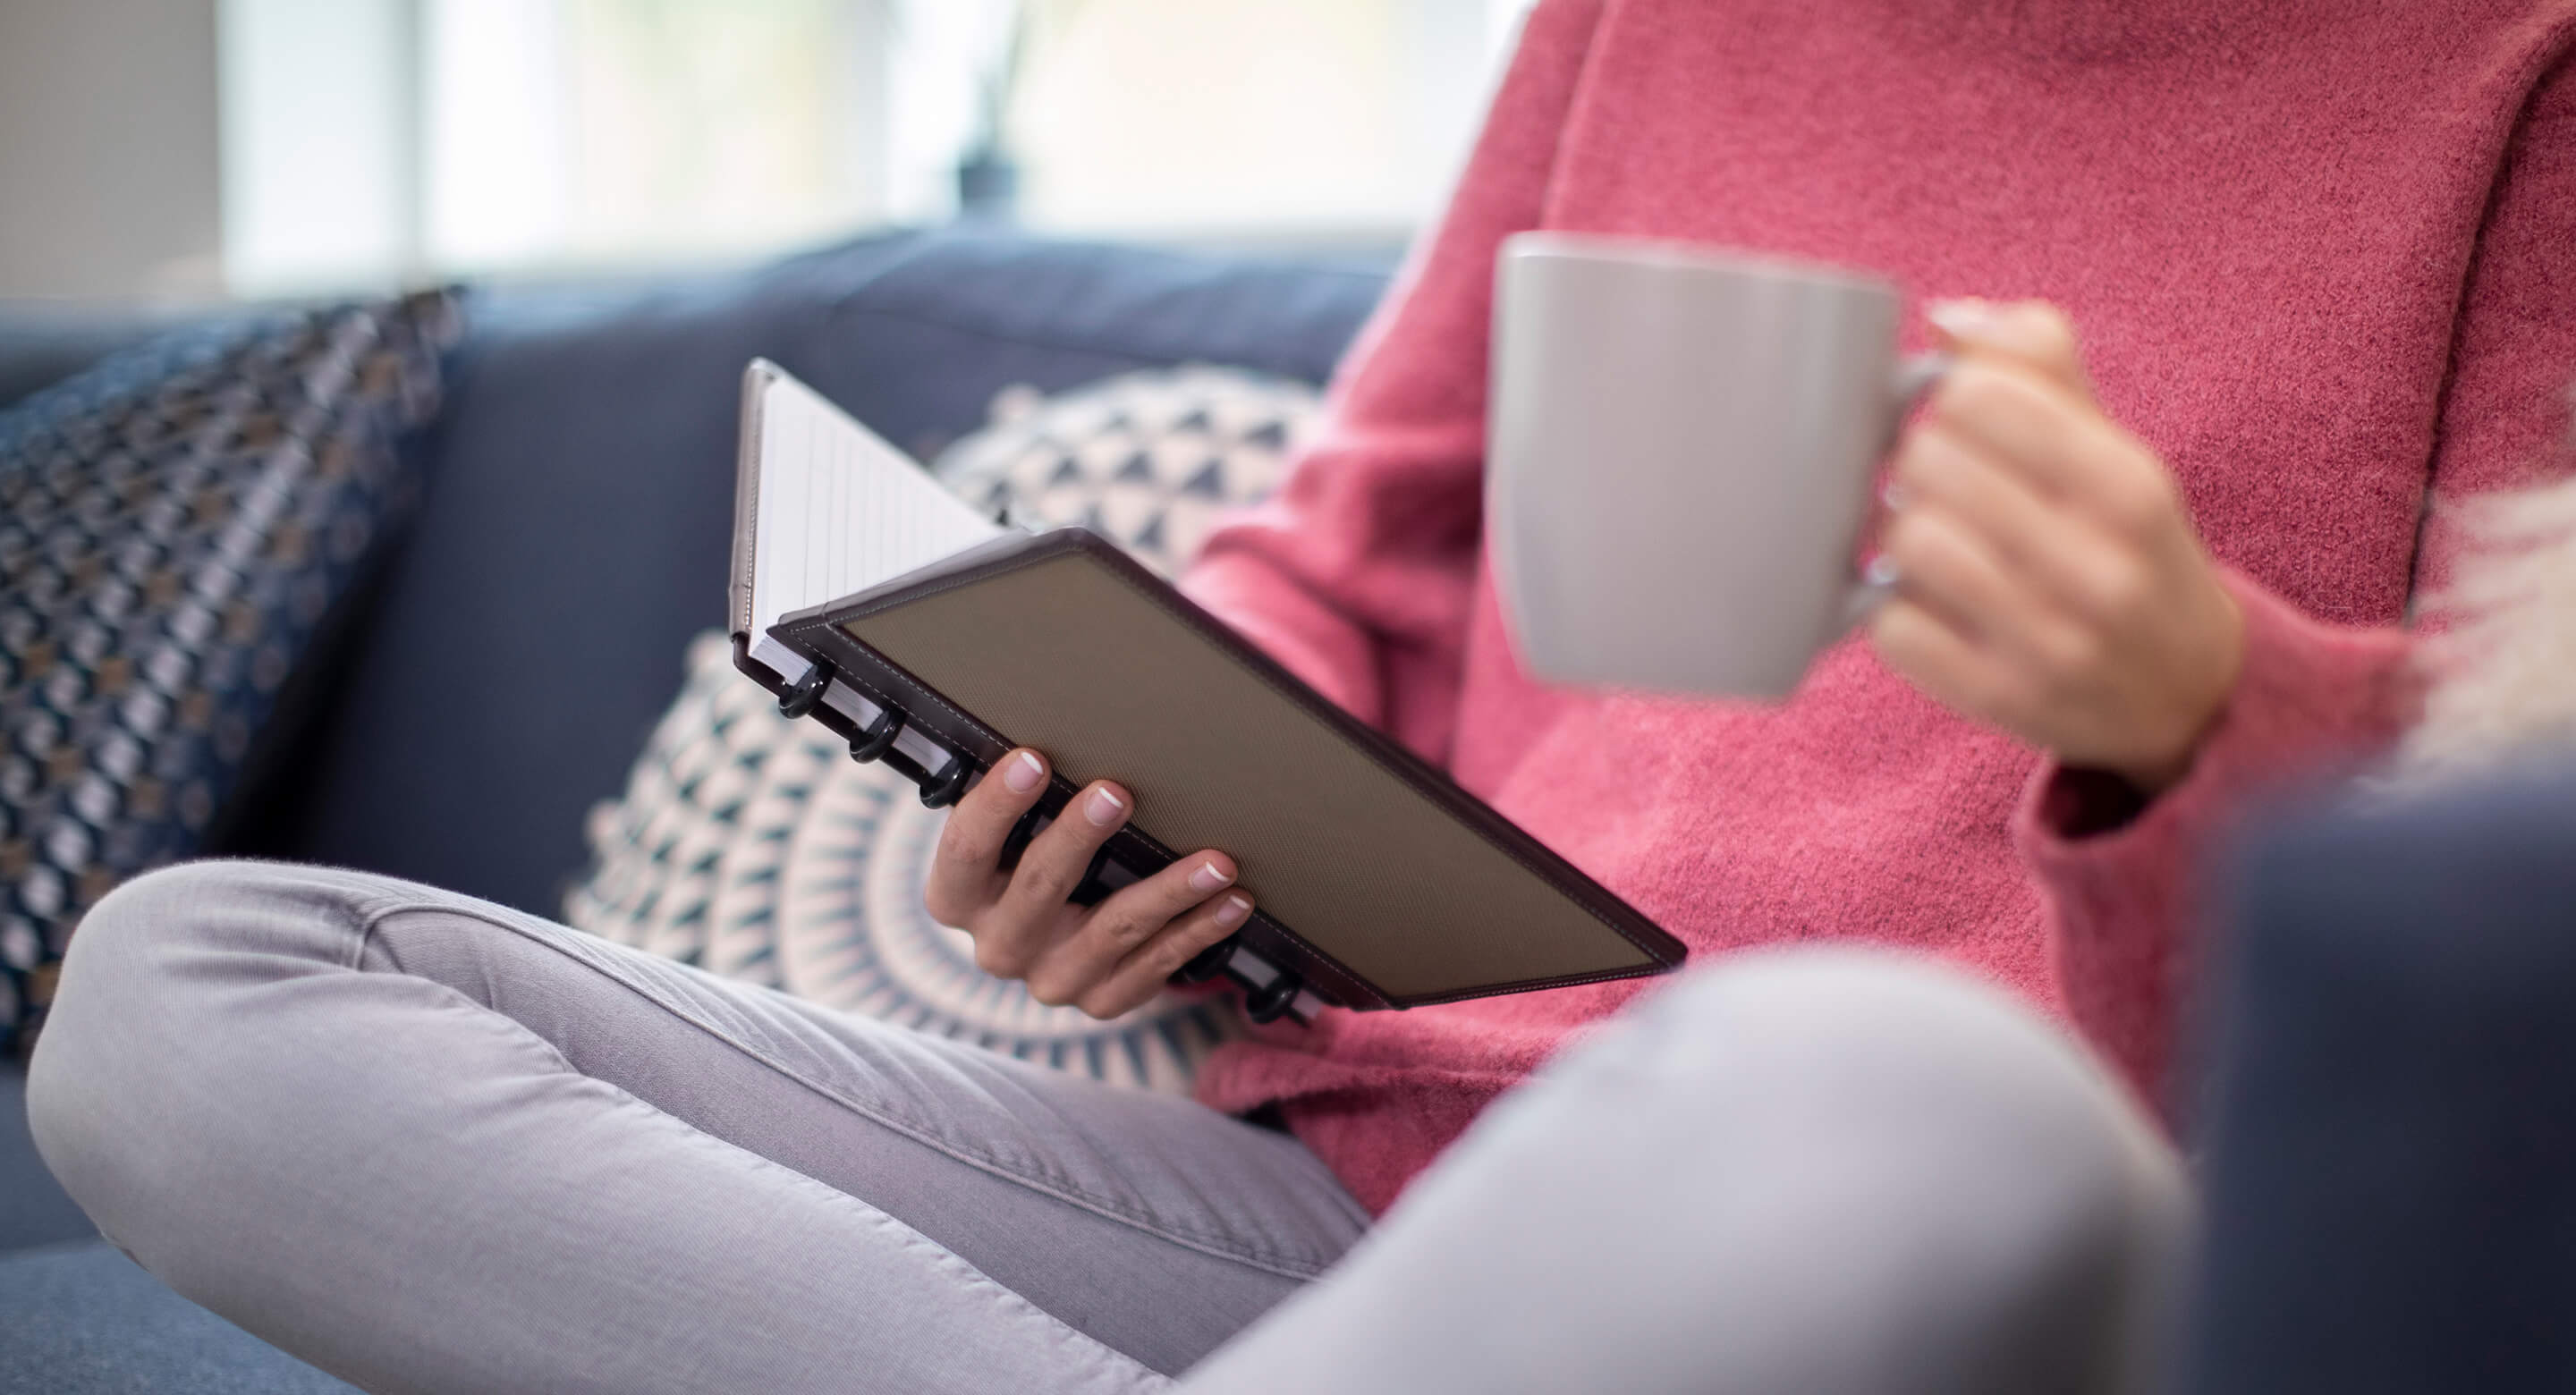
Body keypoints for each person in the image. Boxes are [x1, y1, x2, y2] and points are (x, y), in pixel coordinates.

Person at [29, 0, 2576, 1389]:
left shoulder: (2516, 73)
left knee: (1877, 1071)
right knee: (193, 992)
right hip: (1363, 1197)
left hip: (1933, 1208)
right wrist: (1146, 766)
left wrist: (2196, 694)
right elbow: (1345, 543)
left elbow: (2512, 874)